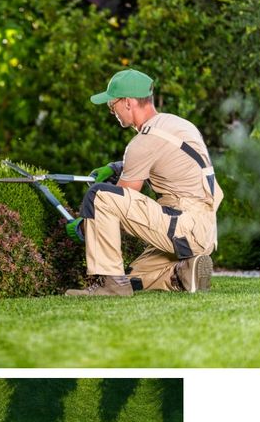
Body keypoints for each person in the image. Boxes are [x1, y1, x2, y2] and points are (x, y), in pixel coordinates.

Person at [64, 68, 224, 297]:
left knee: (99, 196)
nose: (111, 110)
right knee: (131, 276)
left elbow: (121, 201)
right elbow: (166, 161)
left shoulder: (143, 142)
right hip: (202, 230)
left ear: (128, 102)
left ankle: (112, 287)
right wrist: (117, 167)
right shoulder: (175, 124)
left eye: (113, 104)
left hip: (184, 227)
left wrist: (83, 226)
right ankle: (182, 273)